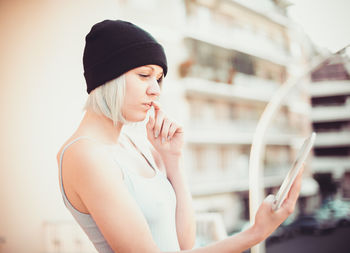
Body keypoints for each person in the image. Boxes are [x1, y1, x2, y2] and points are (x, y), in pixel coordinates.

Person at [57, 19, 304, 253]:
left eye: (159, 79)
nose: (155, 90)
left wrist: (173, 160)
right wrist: (255, 233)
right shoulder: (85, 155)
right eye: (144, 75)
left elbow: (184, 243)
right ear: (108, 77)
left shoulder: (131, 145)